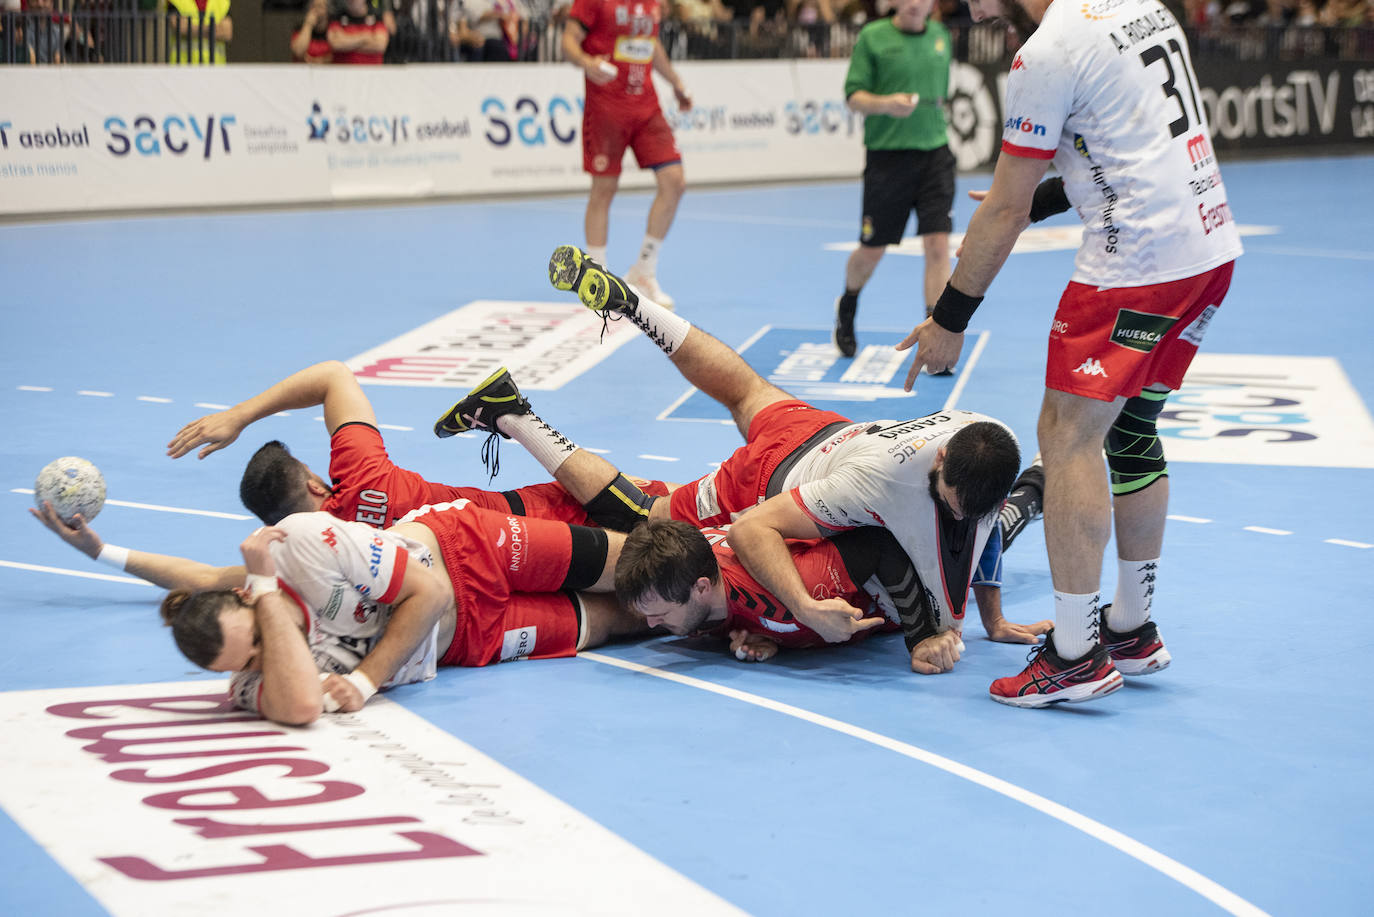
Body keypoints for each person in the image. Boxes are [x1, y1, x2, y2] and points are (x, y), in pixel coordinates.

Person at [434, 245, 1053, 672]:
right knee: (652, 519)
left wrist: (988, 618)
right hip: (778, 480)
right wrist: (810, 613)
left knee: (745, 390)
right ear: (941, 462)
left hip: (832, 435)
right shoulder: (884, 490)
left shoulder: (975, 435)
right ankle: (513, 415)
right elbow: (756, 527)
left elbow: (978, 525)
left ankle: (634, 306)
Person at [898, 0, 1242, 706]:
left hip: (1137, 261)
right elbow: (1136, 141)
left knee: (1067, 435)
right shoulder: (1140, 5)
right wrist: (1045, 195)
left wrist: (949, 316)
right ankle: (1132, 625)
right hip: (1206, 247)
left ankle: (1076, 651)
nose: (968, 6)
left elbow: (1002, 210)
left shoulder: (1046, 52)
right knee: (1132, 428)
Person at [157, 501, 644, 726]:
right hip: (467, 639)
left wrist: (365, 681)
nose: (261, 660)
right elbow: (303, 707)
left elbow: (427, 594)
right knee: (630, 618)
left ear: (248, 595)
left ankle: (717, 554)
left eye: (257, 640)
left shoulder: (301, 543)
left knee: (638, 568)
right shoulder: (252, 685)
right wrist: (267, 620)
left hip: (466, 550)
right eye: (246, 664)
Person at [164, 359, 673, 531]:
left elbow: (215, 577)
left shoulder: (307, 560)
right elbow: (332, 376)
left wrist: (100, 551)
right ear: (314, 482)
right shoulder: (363, 477)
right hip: (533, 517)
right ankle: (513, 416)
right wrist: (238, 416)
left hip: (513, 558)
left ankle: (510, 415)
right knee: (666, 522)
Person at [617, 519, 977, 673]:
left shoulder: (802, 593)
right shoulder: (686, 561)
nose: (650, 624)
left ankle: (1030, 487)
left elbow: (878, 543)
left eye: (661, 614)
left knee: (979, 538)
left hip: (913, 564)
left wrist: (923, 635)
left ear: (701, 588)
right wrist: (777, 642)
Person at [833, 0, 955, 362]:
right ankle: (848, 303)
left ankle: (935, 336)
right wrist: (887, 104)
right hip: (887, 159)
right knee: (873, 249)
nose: (917, 4)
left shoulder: (940, 36)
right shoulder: (873, 37)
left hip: (935, 153)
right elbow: (853, 97)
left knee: (937, 245)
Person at [560, 0, 693, 307]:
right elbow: (568, 42)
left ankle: (643, 272)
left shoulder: (651, 3)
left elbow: (650, 44)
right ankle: (596, 278)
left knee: (674, 181)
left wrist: (676, 82)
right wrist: (586, 63)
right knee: (604, 189)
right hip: (606, 107)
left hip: (646, 106)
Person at [168, 0, 232, 64]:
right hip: (183, 66)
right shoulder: (176, 1)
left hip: (215, 67)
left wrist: (193, 29)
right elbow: (180, 27)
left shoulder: (222, 1)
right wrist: (212, 29)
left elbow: (227, 33)